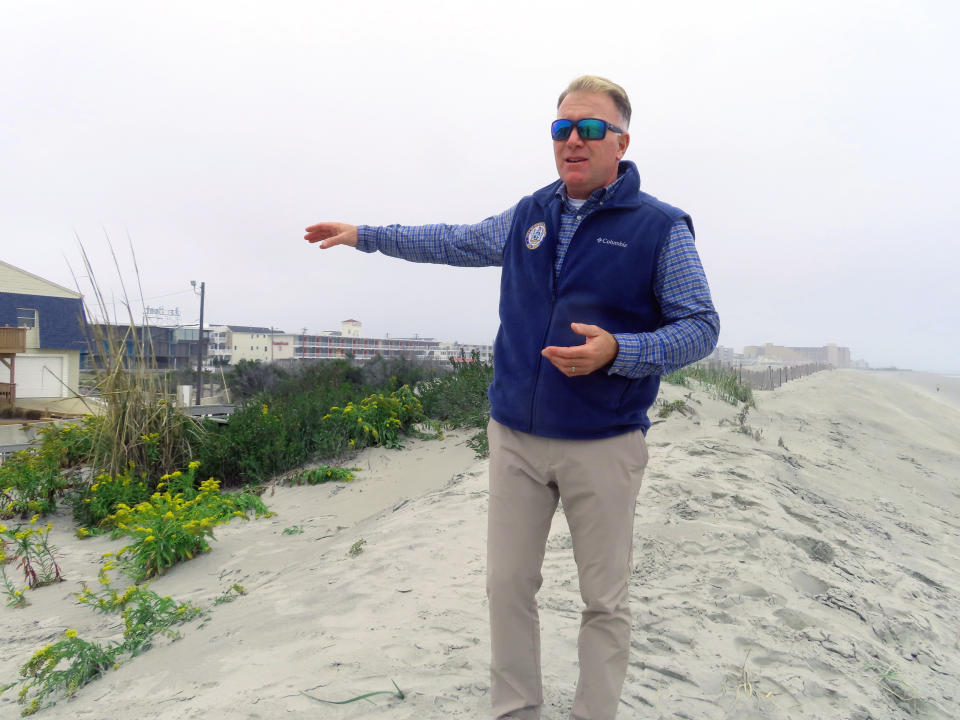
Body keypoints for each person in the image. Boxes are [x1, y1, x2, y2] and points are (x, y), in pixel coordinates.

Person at [304, 75, 719, 720]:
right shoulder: (531, 213)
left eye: (589, 129)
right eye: (562, 129)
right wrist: (366, 234)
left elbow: (701, 326)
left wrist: (620, 352)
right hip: (516, 438)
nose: (572, 142)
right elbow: (453, 240)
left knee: (603, 600)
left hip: (604, 444)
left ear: (621, 141)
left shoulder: (659, 228)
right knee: (507, 588)